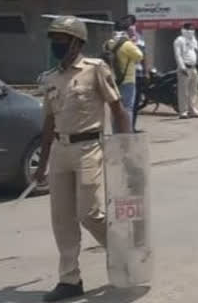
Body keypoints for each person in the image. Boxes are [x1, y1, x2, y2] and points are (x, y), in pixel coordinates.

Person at [34, 16, 131, 302]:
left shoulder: (96, 69)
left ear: (77, 42)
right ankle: (70, 280)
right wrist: (42, 163)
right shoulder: (50, 77)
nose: (56, 45)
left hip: (89, 147)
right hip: (61, 152)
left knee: (89, 213)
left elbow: (118, 109)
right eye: (54, 40)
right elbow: (49, 122)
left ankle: (122, 250)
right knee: (62, 220)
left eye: (62, 40)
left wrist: (125, 150)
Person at [105, 23, 143, 129]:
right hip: (127, 80)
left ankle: (115, 131)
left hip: (112, 81)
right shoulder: (127, 44)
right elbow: (139, 56)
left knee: (115, 108)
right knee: (127, 107)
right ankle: (126, 131)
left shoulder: (107, 44)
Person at [174, 23, 198, 119]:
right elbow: (178, 55)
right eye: (190, 29)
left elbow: (196, 51)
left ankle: (192, 109)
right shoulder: (179, 40)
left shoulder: (193, 40)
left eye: (193, 29)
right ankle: (183, 112)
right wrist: (182, 67)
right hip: (184, 68)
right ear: (184, 30)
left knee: (193, 90)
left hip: (193, 68)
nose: (192, 31)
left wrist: (196, 62)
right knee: (183, 91)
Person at [126, 20, 147, 132]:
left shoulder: (140, 42)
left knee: (136, 102)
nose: (133, 33)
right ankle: (127, 127)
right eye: (130, 31)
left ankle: (132, 126)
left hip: (138, 74)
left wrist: (146, 72)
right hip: (127, 75)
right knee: (128, 103)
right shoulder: (124, 43)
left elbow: (144, 57)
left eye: (134, 31)